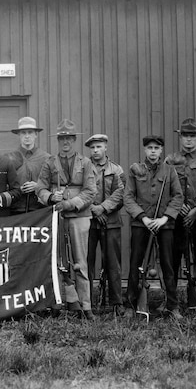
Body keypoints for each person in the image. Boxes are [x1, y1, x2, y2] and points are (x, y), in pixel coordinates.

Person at [36, 119, 97, 320]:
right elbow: (40, 188)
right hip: (56, 218)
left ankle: (85, 305)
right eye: (62, 138)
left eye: (69, 138)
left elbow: (90, 192)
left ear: (74, 139)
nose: (65, 142)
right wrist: (50, 197)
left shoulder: (85, 163)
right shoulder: (50, 163)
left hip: (79, 216)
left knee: (80, 262)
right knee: (57, 261)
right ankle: (59, 302)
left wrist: (70, 203)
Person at [123, 135, 183, 320]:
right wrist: (143, 218)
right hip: (141, 224)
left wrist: (165, 218)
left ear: (161, 150)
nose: (153, 151)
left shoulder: (170, 171)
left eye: (156, 148)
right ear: (144, 150)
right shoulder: (135, 170)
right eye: (149, 148)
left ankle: (172, 306)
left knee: (168, 264)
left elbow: (178, 197)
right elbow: (128, 197)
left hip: (164, 225)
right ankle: (131, 305)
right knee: (136, 264)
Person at [165, 118, 196, 308]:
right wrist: (179, 208)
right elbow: (165, 188)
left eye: (193, 136)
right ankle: (172, 301)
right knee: (174, 259)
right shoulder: (170, 159)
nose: (189, 140)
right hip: (177, 217)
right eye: (186, 136)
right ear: (180, 137)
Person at [84, 134, 126, 316]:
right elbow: (80, 190)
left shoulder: (116, 170)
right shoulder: (84, 168)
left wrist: (103, 208)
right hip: (88, 221)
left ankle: (117, 303)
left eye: (99, 147)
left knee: (113, 264)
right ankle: (87, 303)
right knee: (87, 263)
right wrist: (93, 209)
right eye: (92, 147)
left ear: (106, 147)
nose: (95, 150)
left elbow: (122, 193)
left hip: (111, 221)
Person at [7, 117, 50, 214]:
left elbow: (52, 184)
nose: (27, 136)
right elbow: (3, 184)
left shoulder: (46, 158)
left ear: (36, 134)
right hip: (15, 210)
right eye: (23, 133)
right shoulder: (9, 158)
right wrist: (18, 190)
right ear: (18, 135)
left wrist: (38, 186)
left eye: (30, 132)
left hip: (40, 211)